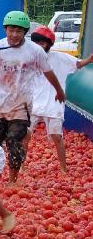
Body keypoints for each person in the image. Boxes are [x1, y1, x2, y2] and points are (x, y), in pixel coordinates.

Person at [0, 11, 65, 184]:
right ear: (5, 29)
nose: (14, 34)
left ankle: (13, 179)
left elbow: (48, 72)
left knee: (14, 141)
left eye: (19, 31)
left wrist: (59, 90)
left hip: (22, 106)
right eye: (11, 30)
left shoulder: (35, 51)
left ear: (25, 32)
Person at [25, 26, 93, 172]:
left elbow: (78, 64)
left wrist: (90, 59)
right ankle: (21, 166)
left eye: (42, 43)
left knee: (56, 136)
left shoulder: (59, 57)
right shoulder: (30, 59)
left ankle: (63, 168)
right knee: (25, 134)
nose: (39, 46)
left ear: (49, 44)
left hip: (54, 102)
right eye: (36, 43)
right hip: (34, 102)